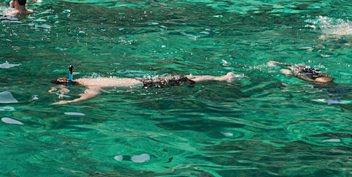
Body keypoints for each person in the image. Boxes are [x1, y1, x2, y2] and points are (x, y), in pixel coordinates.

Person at [51, 65, 241, 103]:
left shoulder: (90, 87)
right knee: (182, 79)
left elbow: (89, 96)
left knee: (181, 80)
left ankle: (223, 78)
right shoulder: (87, 80)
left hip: (143, 86)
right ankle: (221, 78)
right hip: (139, 81)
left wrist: (67, 102)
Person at [266, 61, 334, 84]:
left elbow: (309, 80)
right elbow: (295, 67)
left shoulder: (321, 80)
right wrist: (279, 63)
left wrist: (292, 74)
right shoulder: (324, 75)